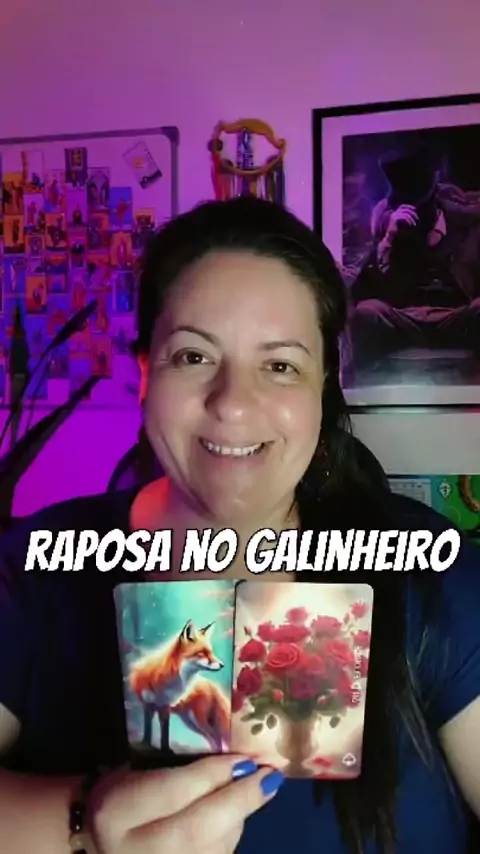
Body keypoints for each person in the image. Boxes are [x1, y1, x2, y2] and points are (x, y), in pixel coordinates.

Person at [0, 196, 480, 854]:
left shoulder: (433, 571)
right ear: (143, 373)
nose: (232, 404)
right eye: (193, 357)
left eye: (280, 365)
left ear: (323, 385)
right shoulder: (34, 569)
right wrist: (81, 819)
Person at [348, 145, 480, 367]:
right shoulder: (391, 227)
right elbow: (361, 292)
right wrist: (388, 240)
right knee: (367, 312)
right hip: (404, 318)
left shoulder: (466, 227)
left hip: (454, 316)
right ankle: (363, 387)